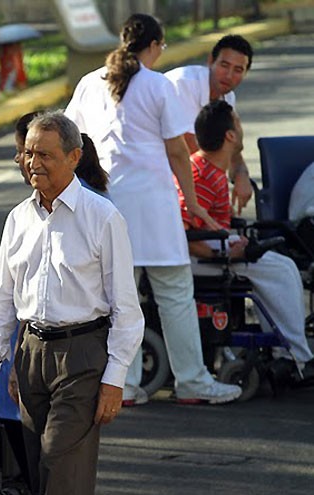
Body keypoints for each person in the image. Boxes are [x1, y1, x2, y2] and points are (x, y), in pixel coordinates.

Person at [64, 13, 242, 406]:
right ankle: (193, 382)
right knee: (175, 296)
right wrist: (194, 204)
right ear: (156, 45)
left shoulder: (91, 83)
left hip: (107, 205)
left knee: (119, 301)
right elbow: (178, 150)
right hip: (155, 211)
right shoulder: (157, 85)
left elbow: (71, 139)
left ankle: (122, 386)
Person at [0, 112, 144, 495]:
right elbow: (1, 299)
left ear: (74, 157)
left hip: (82, 355)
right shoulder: (18, 218)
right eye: (29, 154)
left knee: (61, 465)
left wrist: (114, 378)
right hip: (30, 353)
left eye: (46, 155)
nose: (34, 164)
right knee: (37, 470)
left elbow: (127, 308)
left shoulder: (103, 218)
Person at [181, 100, 314, 379]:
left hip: (216, 249)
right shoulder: (201, 174)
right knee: (279, 271)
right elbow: (183, 234)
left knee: (283, 267)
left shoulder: (210, 170)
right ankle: (297, 357)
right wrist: (226, 254)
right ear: (230, 135)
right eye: (238, 123)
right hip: (201, 257)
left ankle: (288, 352)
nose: (241, 128)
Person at [165, 35, 254, 213]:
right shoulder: (183, 84)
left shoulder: (228, 97)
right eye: (224, 65)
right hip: (158, 173)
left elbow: (229, 145)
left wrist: (242, 175)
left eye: (238, 70)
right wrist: (218, 196)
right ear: (211, 61)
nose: (229, 75)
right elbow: (189, 150)